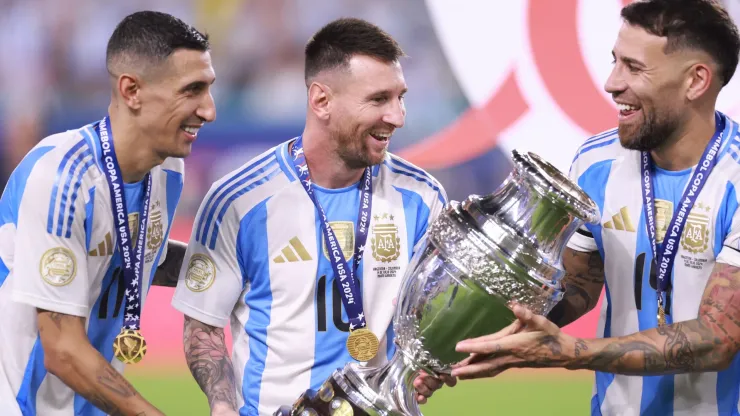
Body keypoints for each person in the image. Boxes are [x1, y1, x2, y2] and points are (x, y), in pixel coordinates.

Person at [449, 1, 740, 415]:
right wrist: (482, 332)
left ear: (696, 81)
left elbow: (718, 337)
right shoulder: (595, 163)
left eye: (634, 68)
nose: (611, 83)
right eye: (614, 61)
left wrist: (571, 351)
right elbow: (577, 288)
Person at [171, 17, 454, 416]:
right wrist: (222, 405)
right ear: (321, 100)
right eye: (378, 100)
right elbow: (203, 323)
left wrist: (428, 361)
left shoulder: (423, 197)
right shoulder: (239, 200)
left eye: (400, 97)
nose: (397, 116)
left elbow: (429, 315)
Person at [0, 10, 216, 415]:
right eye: (192, 90)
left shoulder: (167, 171)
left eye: (209, 89)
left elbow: (132, 255)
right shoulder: (61, 178)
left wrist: (239, 264)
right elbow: (62, 350)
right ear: (132, 90)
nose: (209, 110)